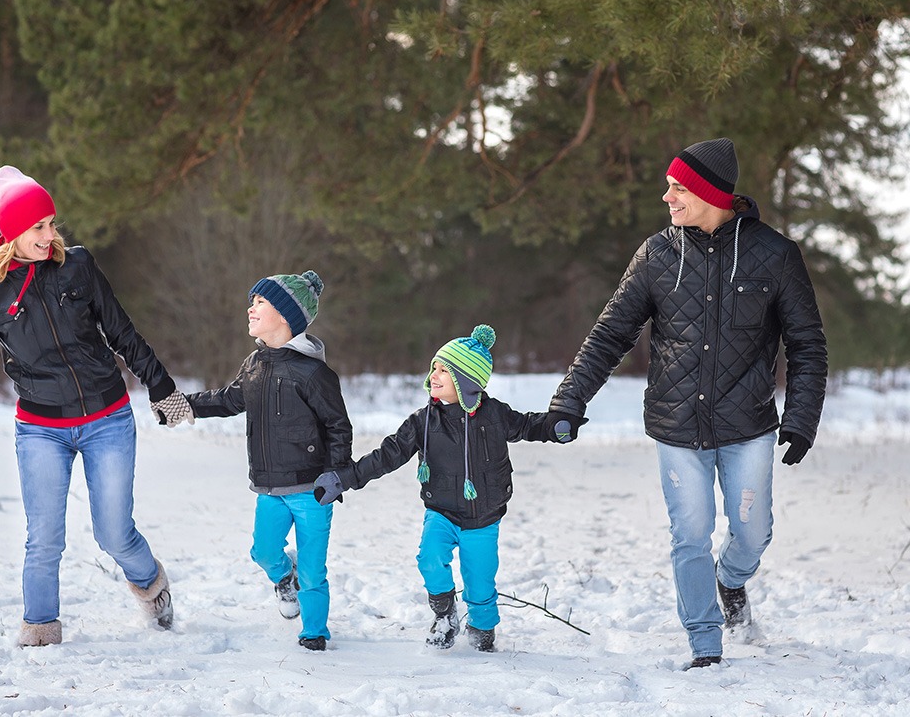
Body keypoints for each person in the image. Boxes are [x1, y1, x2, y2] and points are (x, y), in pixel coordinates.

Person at [544, 138, 827, 669]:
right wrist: (568, 402)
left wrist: (802, 419)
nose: (667, 197)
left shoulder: (776, 254)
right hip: (676, 427)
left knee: (753, 533)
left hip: (749, 426)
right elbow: (610, 334)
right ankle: (705, 641)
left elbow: (807, 343)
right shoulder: (657, 254)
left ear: (708, 192)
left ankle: (731, 579)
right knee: (690, 533)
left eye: (678, 188)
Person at [0, 166, 194, 647]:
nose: (50, 235)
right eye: (38, 227)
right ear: (11, 233)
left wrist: (163, 389)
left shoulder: (77, 266)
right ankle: (40, 629)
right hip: (41, 428)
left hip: (107, 418)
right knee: (43, 539)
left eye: (52, 223)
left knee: (113, 533)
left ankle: (152, 584)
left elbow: (123, 333)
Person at [314, 324, 557, 652]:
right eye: (435, 368)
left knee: (480, 582)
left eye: (446, 370)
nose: (435, 374)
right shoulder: (422, 421)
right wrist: (345, 478)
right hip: (441, 511)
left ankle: (483, 630)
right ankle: (444, 615)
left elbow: (528, 425)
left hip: (483, 518)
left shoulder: (495, 415)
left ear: (466, 381)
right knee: (429, 558)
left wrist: (557, 425)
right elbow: (388, 455)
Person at [183, 271, 352, 652]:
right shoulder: (254, 365)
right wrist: (186, 405)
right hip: (270, 487)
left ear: (287, 317)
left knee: (312, 568)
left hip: (313, 489)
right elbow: (229, 399)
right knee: (263, 550)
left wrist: (337, 475)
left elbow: (338, 426)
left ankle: (314, 630)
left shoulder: (314, 373)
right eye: (253, 301)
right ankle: (282, 576)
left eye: (260, 302)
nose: (251, 308)